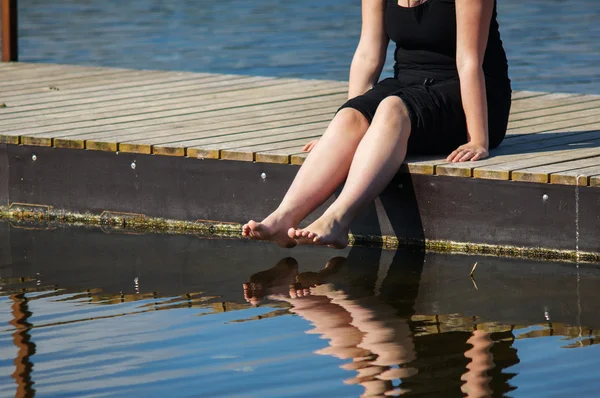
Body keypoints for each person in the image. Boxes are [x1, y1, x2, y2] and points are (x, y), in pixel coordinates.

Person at [242, 0, 511, 249]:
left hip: (470, 95)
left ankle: (337, 220)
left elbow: (469, 61)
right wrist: (347, 124)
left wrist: (478, 139)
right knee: (351, 117)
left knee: (392, 108)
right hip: (408, 85)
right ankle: (282, 219)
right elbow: (368, 55)